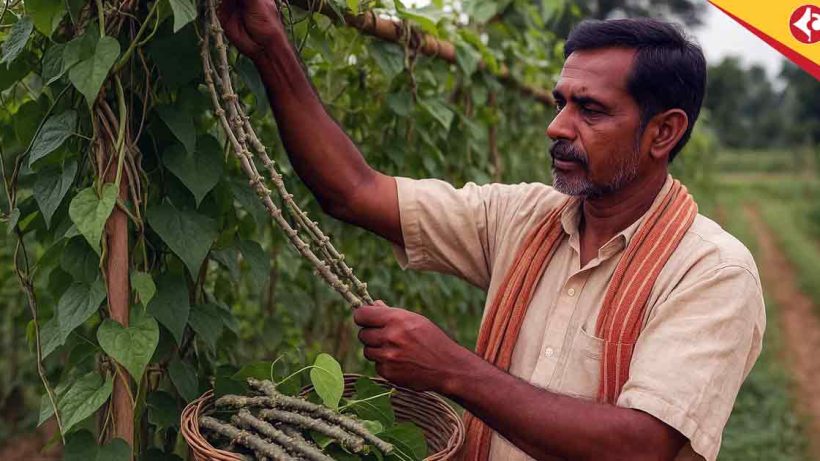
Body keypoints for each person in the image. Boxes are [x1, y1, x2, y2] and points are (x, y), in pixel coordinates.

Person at [218, 2, 765, 460]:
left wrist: (451, 369)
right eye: (560, 103)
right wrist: (271, 48)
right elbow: (354, 192)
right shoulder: (523, 219)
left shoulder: (712, 271)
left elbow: (640, 445)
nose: (557, 126)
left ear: (663, 132)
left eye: (590, 110)